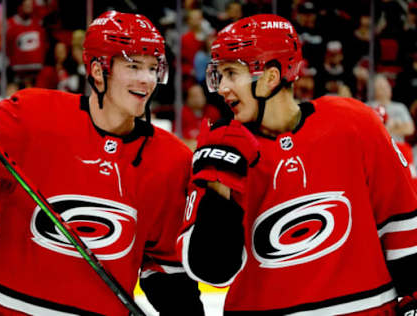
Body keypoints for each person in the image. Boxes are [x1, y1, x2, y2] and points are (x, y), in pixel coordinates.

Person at [0, 11, 204, 316]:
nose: (146, 79)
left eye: (152, 67)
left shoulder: (172, 159)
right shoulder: (34, 114)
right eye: (133, 66)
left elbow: (166, 268)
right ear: (97, 70)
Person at [177, 14, 417, 315]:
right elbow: (212, 271)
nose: (221, 87)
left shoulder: (354, 123)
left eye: (230, 73)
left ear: (270, 76)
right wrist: (218, 188)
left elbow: (403, 230)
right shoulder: (219, 149)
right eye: (218, 75)